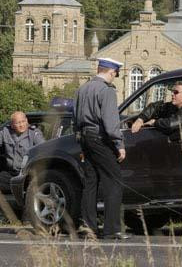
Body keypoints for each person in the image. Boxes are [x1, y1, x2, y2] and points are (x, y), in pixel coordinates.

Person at [74, 57, 130, 240]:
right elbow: (110, 121)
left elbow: (74, 117)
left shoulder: (83, 89)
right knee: (114, 181)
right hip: (100, 138)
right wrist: (119, 144)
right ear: (111, 72)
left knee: (90, 183)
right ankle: (112, 229)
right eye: (115, 74)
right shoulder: (107, 91)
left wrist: (81, 142)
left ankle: (89, 227)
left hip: (84, 137)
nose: (115, 77)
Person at [0, 111, 45, 193]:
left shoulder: (34, 134)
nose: (21, 125)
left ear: (27, 121)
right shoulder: (6, 132)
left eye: (23, 121)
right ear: (12, 125)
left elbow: (44, 149)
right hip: (12, 174)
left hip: (28, 175)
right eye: (18, 123)